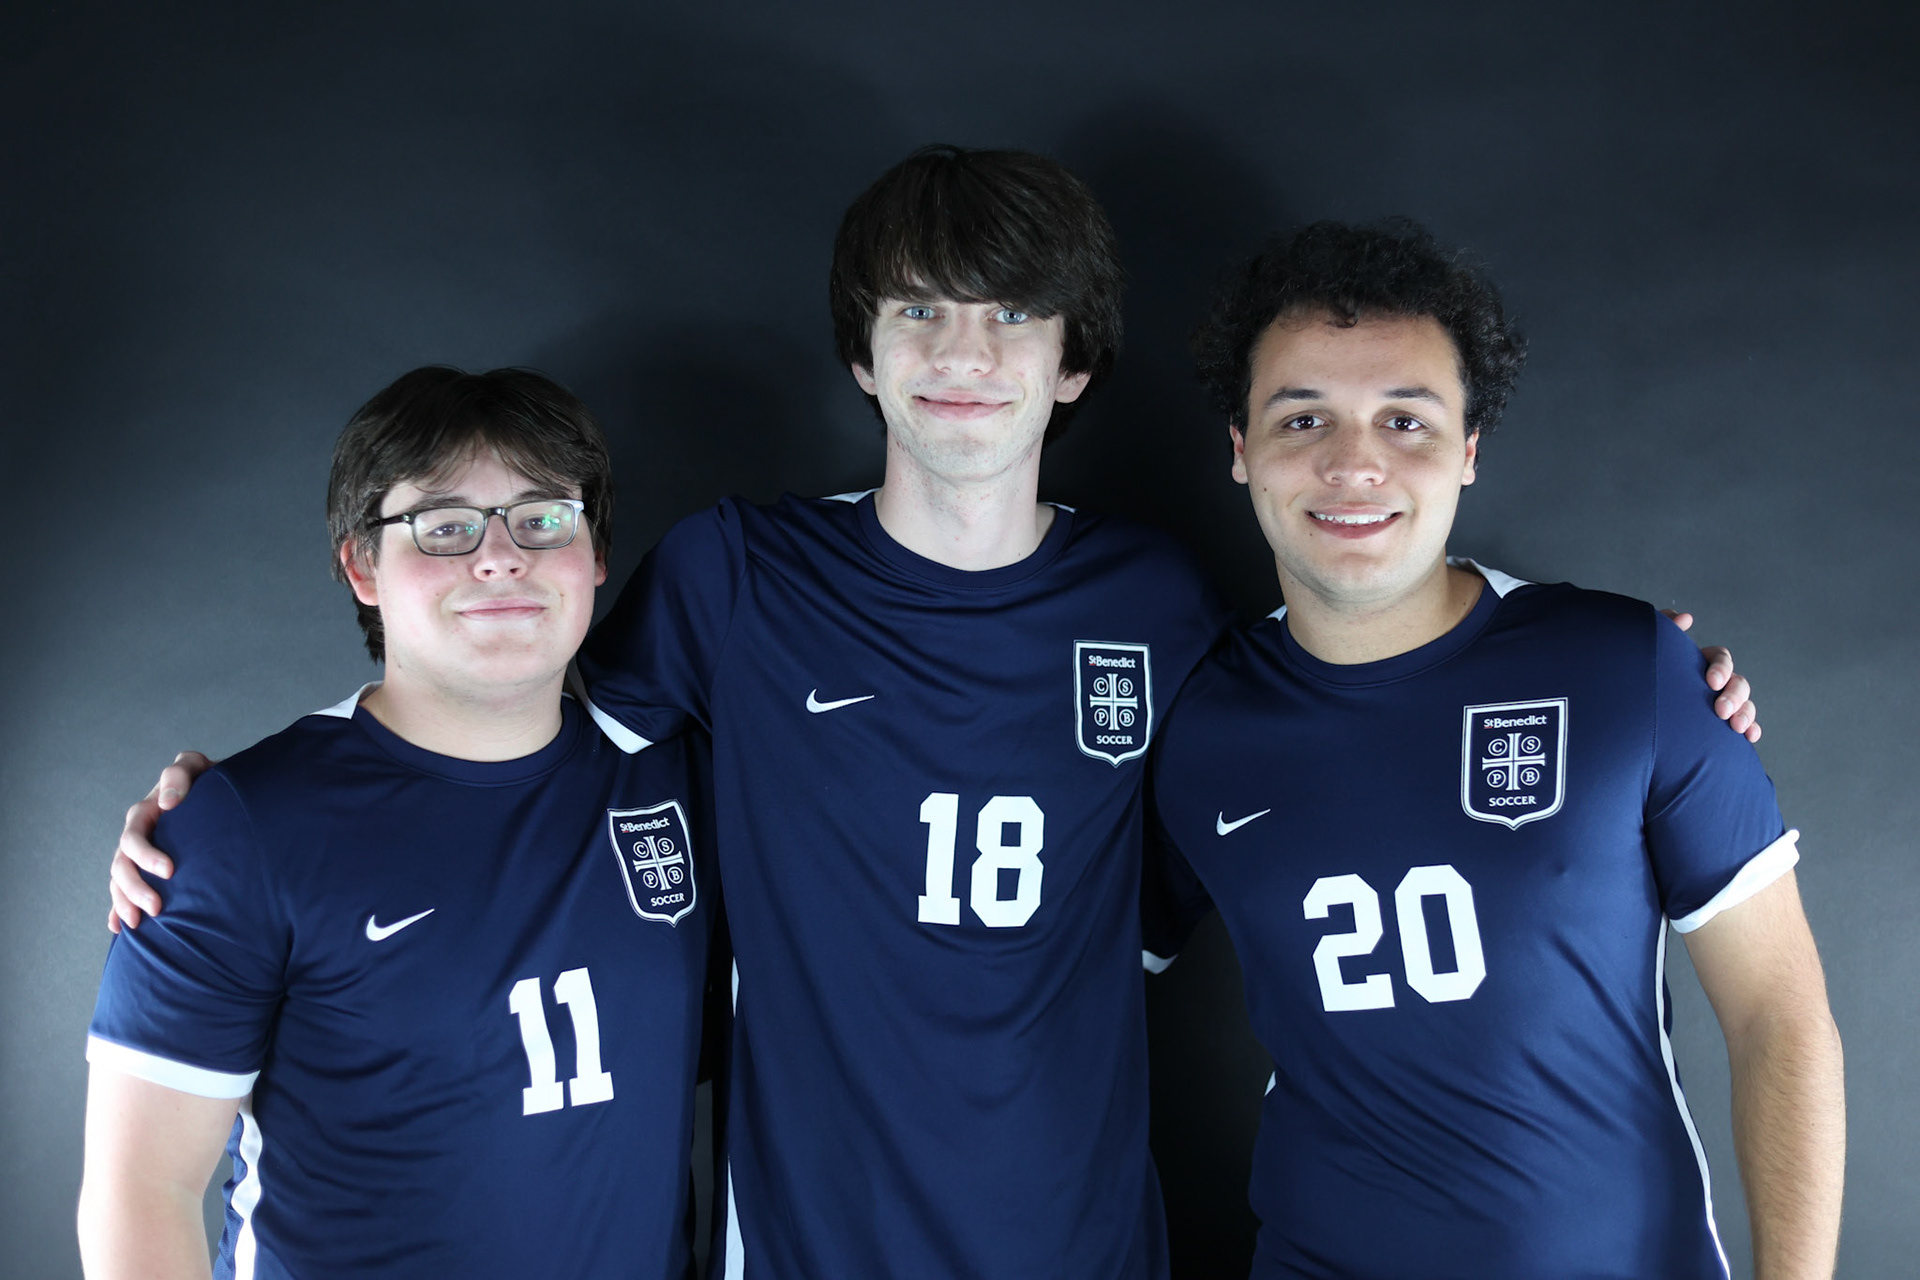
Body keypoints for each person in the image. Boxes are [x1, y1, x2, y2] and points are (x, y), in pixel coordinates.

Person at [105, 148, 1762, 1278]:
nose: (965, 354)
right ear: (864, 353)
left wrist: (1629, 672)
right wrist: (248, 808)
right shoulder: (735, 576)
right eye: (920, 311)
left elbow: (1341, 716)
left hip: (1087, 1241)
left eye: (1012, 315)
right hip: (808, 1243)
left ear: (1074, 364)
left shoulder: (1154, 597)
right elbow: (504, 713)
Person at [1147, 219, 1844, 1278]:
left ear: (1469, 451)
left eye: (1406, 420)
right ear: (1241, 449)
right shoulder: (1197, 725)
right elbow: (1052, 982)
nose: (1354, 462)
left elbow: (1777, 1016)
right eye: (1303, 417)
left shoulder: (1628, 668)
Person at [79, 367, 716, 1279]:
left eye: (543, 519)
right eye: (444, 527)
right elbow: (143, 1191)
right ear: (362, 566)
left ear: (596, 553)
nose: (502, 558)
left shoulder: (677, 778)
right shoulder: (236, 830)